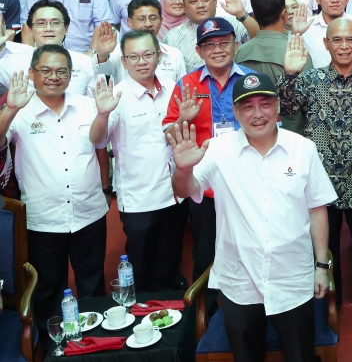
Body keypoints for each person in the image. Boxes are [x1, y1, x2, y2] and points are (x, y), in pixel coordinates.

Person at [167, 70, 337, 362]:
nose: (257, 114)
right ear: (235, 112)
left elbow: (317, 208)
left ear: (277, 107)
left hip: (292, 277)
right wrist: (182, 169)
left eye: (265, 104)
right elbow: (186, 190)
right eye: (247, 106)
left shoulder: (302, 148)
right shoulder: (218, 149)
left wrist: (322, 267)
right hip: (239, 279)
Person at [278, 18, 352, 335]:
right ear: (326, 44)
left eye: (349, 40)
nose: (343, 46)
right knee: (324, 249)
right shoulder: (311, 80)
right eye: (336, 40)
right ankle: (329, 303)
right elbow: (285, 108)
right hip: (320, 184)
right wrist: (289, 74)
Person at [0, 46, 107, 323]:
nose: (53, 77)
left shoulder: (85, 104)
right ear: (32, 73)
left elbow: (99, 143)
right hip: (42, 219)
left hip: (88, 213)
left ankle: (95, 349)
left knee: (92, 285)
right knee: (47, 290)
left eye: (61, 71)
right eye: (45, 71)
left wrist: (104, 114)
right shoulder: (19, 107)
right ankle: (52, 354)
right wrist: (10, 109)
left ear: (70, 75)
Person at [87, 30, 185, 292]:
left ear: (158, 55)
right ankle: (142, 321)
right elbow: (97, 139)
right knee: (141, 271)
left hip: (175, 194)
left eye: (147, 54)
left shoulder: (173, 88)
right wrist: (102, 114)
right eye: (134, 56)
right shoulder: (116, 96)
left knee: (168, 268)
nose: (142, 61)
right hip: (140, 200)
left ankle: (170, 322)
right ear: (124, 61)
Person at [163, 17, 256, 287]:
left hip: (246, 180)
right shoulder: (186, 84)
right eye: (209, 45)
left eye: (223, 42)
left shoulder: (250, 81)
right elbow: (169, 134)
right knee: (206, 254)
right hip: (206, 185)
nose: (217, 49)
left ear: (236, 45)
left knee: (248, 248)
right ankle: (205, 314)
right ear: (199, 51)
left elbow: (271, 125)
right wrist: (182, 120)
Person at [235, 0, 312, 135]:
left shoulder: (240, 52)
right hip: (291, 134)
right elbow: (310, 101)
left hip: (250, 132)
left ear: (255, 17)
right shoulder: (297, 53)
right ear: (284, 14)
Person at [0, 0, 98, 98]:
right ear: (30, 30)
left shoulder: (86, 63)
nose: (48, 29)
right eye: (41, 23)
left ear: (66, 29)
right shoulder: (11, 63)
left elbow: (95, 105)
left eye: (55, 23)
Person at [92, 0, 187, 87]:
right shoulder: (117, 51)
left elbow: (182, 89)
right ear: (129, 22)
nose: (148, 24)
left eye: (153, 18)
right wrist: (103, 55)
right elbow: (101, 71)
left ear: (161, 20)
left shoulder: (174, 54)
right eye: (141, 19)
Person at [162, 0, 255, 71]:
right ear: (184, 7)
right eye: (193, 1)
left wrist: (242, 14)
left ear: (215, 1)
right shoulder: (172, 37)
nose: (200, 5)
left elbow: (261, 40)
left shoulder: (234, 24)